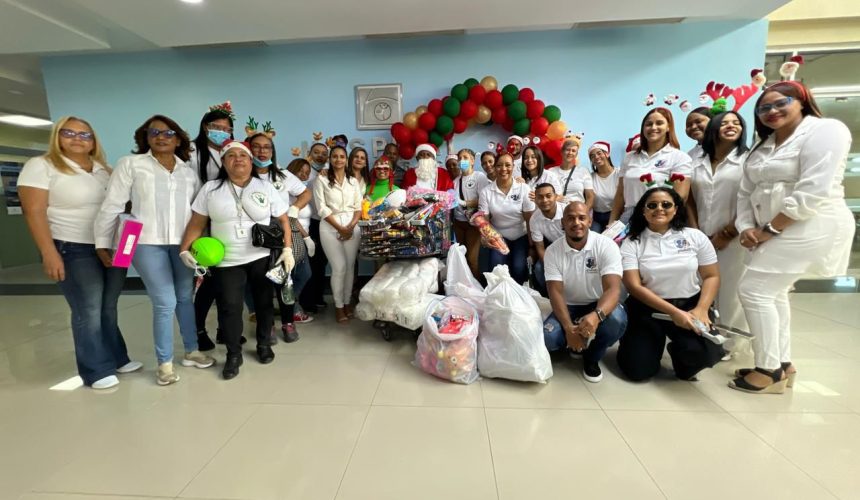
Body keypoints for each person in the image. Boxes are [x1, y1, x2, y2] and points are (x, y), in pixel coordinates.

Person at [731, 81, 854, 394]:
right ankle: (782, 363)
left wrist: (768, 229)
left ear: (802, 101)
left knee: (754, 290)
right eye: (764, 107)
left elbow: (813, 190)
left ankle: (767, 369)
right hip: (768, 230)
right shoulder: (764, 145)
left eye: (780, 103)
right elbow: (746, 192)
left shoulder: (826, 130)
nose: (772, 111)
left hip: (809, 224)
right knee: (774, 293)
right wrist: (746, 226)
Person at [18, 116, 142, 390]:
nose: (77, 138)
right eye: (69, 133)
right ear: (57, 136)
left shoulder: (103, 169)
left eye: (85, 134)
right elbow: (33, 211)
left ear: (93, 141)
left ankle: (118, 358)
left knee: (108, 307)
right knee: (87, 309)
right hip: (72, 247)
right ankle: (95, 370)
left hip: (110, 245)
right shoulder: (41, 166)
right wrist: (48, 252)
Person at [95, 115, 215, 386]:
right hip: (146, 241)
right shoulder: (132, 164)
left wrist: (200, 245)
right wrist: (102, 242)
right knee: (165, 302)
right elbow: (112, 205)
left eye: (169, 133)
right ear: (145, 137)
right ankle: (165, 363)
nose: (162, 137)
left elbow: (198, 212)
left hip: (183, 244)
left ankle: (192, 350)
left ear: (178, 139)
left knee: (185, 297)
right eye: (155, 132)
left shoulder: (187, 171)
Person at [180, 141, 292, 380]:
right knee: (229, 307)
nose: (238, 159)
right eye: (231, 155)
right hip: (226, 260)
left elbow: (283, 220)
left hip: (260, 256)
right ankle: (233, 354)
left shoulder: (265, 187)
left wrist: (288, 249)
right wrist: (184, 249)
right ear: (224, 162)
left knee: (263, 304)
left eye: (243, 155)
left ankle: (264, 344)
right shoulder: (211, 189)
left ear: (251, 161)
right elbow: (197, 223)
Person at [616, 187, 723, 382]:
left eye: (666, 205)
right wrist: (673, 313)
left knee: (708, 353)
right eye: (652, 205)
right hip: (647, 309)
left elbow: (711, 276)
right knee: (637, 371)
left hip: (690, 306)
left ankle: (680, 352)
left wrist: (702, 309)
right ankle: (651, 344)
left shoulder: (694, 237)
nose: (659, 209)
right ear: (643, 211)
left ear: (675, 209)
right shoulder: (632, 242)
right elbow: (634, 286)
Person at [543, 202, 627, 382]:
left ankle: (592, 356)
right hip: (569, 305)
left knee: (617, 320)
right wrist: (568, 329)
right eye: (570, 218)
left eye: (582, 218)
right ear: (562, 224)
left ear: (590, 221)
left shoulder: (606, 245)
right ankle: (575, 341)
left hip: (597, 303)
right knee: (548, 338)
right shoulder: (552, 251)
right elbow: (555, 293)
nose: (576, 223)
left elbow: (613, 289)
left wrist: (596, 316)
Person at [249, 133, 315, 341]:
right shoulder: (244, 176)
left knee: (285, 281)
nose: (261, 151)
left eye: (266, 147)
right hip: (255, 238)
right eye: (256, 147)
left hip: (281, 234)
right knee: (263, 284)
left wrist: (294, 208)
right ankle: (266, 324)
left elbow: (306, 193)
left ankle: (288, 322)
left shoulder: (283, 175)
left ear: (272, 151)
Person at [688, 111, 748, 331]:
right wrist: (696, 233)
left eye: (736, 123)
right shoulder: (696, 159)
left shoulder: (747, 160)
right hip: (701, 235)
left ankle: (732, 343)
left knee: (731, 291)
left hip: (735, 236)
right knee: (703, 287)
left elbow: (751, 200)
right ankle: (706, 333)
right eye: (724, 123)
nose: (731, 126)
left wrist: (727, 233)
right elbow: (689, 199)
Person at [188, 105, 235, 351]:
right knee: (208, 282)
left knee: (226, 282)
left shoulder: (231, 152)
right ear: (205, 127)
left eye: (227, 129)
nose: (222, 132)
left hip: (225, 225)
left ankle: (223, 330)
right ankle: (198, 330)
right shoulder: (192, 152)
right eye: (217, 128)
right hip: (201, 224)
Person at [610, 107, 692, 224]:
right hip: (629, 218)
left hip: (661, 218)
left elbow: (680, 198)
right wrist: (612, 221)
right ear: (643, 129)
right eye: (648, 124)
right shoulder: (629, 157)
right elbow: (620, 194)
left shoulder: (679, 157)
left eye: (659, 123)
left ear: (668, 127)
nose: (653, 127)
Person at [313, 145, 362, 323]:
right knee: (339, 267)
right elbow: (321, 208)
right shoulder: (322, 180)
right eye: (335, 156)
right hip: (329, 226)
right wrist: (340, 228)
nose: (338, 160)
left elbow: (358, 207)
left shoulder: (353, 181)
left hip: (352, 226)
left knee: (349, 268)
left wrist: (350, 226)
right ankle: (339, 306)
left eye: (342, 156)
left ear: (346, 159)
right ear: (330, 159)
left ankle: (347, 303)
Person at [477, 152, 535, 285]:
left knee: (519, 268)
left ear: (513, 167)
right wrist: (486, 237)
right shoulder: (486, 192)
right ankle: (500, 299)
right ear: (495, 167)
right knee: (496, 268)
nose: (504, 169)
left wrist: (532, 246)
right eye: (499, 165)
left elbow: (529, 219)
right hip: (498, 237)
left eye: (508, 165)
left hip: (521, 236)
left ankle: (518, 299)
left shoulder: (523, 189)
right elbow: (484, 221)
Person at [299, 142, 330, 314]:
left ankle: (317, 297)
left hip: (325, 222)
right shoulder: (305, 173)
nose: (320, 156)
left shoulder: (326, 173)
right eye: (316, 152)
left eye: (323, 153)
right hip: (310, 222)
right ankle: (306, 301)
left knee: (321, 263)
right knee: (311, 263)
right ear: (310, 154)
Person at [451, 148, 490, 280]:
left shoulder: (479, 177)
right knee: (462, 258)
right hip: (458, 223)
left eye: (465, 157)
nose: (462, 160)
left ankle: (477, 290)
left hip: (473, 223)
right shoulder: (456, 181)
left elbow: (483, 199)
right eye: (460, 158)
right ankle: (466, 285)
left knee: (472, 259)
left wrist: (463, 202)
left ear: (472, 161)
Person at [529, 183, 565, 296]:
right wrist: (552, 266)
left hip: (574, 247)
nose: (544, 200)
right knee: (539, 268)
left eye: (548, 196)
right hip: (554, 249)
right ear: (535, 200)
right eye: (540, 197)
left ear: (555, 196)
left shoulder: (567, 211)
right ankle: (550, 297)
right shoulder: (534, 219)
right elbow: (540, 249)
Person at [551, 137, 594, 207]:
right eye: (568, 150)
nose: (570, 153)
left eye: (573, 151)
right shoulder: (551, 171)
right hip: (556, 212)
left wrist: (584, 212)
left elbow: (590, 197)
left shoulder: (583, 171)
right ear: (562, 152)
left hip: (576, 213)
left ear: (576, 155)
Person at [588, 141, 618, 232]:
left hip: (616, 215)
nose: (596, 157)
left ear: (607, 154)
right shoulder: (590, 177)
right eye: (592, 156)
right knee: (593, 240)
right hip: (596, 217)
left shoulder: (619, 174)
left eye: (599, 153)